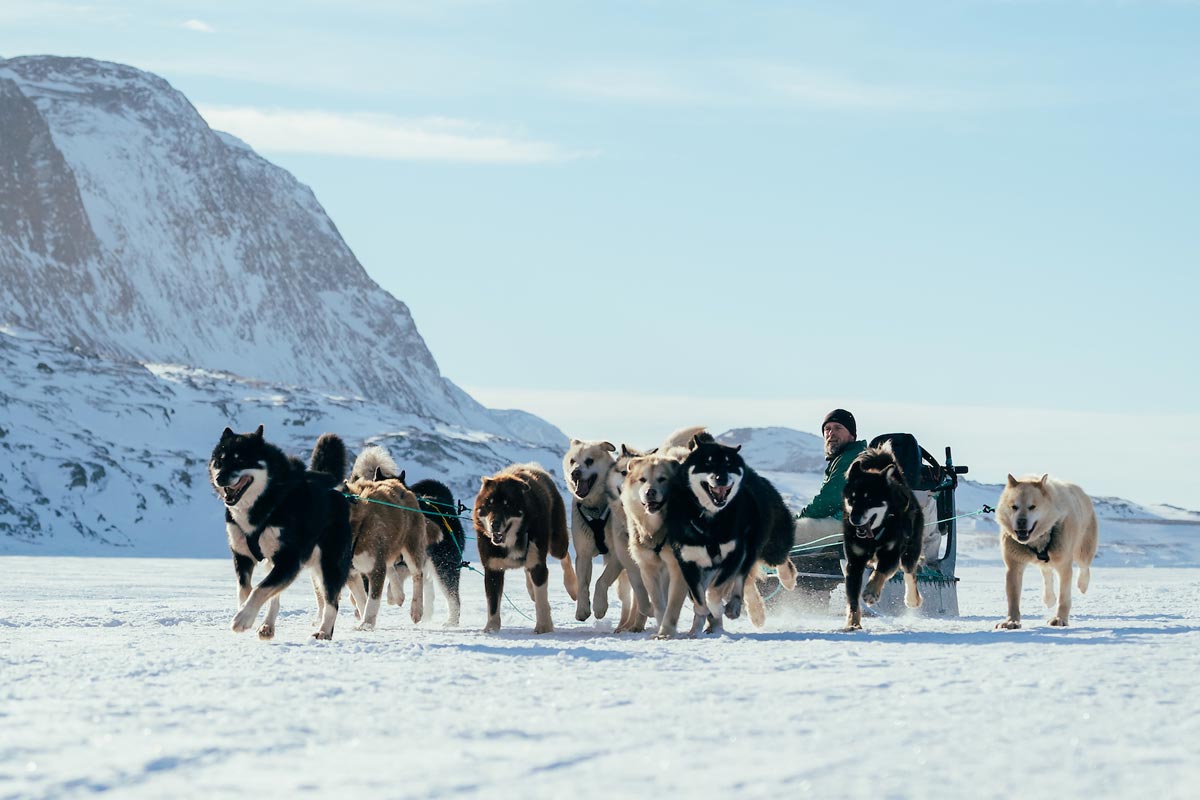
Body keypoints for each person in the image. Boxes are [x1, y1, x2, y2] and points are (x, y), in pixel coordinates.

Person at [794, 409, 868, 544]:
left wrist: (799, 518)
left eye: (838, 428)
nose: (831, 433)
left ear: (852, 435)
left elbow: (829, 500)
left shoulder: (851, 457)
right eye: (827, 429)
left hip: (847, 522)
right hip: (850, 522)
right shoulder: (849, 455)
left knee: (782, 534)